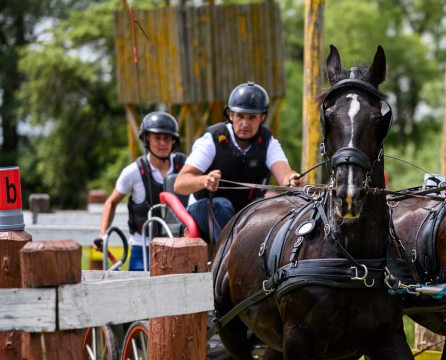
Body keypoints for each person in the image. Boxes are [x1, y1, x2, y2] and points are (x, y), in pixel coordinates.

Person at [174, 81, 302, 243]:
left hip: (245, 212)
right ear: (231, 115)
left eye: (252, 118)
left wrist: (292, 179)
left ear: (262, 118)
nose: (245, 123)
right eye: (240, 116)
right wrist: (204, 181)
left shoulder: (268, 142)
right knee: (221, 205)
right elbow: (180, 184)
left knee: (277, 205)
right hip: (205, 209)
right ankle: (231, 255)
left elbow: (285, 176)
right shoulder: (212, 140)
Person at [96, 111, 185, 270]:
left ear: (174, 141)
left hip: (180, 245)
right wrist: (103, 234)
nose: (163, 143)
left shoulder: (185, 167)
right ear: (146, 140)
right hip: (143, 247)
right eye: (157, 138)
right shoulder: (133, 172)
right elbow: (111, 202)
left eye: (167, 139)